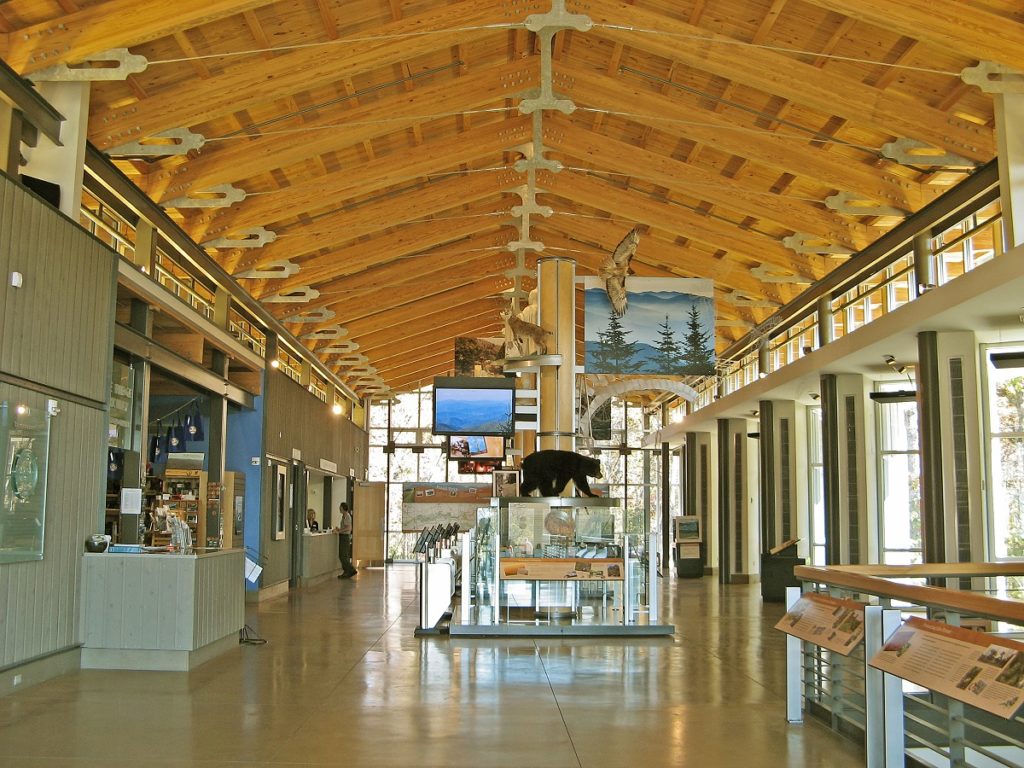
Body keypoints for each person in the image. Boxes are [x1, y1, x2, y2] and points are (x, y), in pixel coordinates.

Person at [335, 502, 357, 578]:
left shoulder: (347, 516)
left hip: (345, 537)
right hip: (343, 536)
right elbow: (345, 527)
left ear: (343, 508)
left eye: (340, 507)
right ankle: (346, 571)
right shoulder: (343, 516)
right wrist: (339, 529)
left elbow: (348, 528)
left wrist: (339, 531)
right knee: (342, 555)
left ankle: (351, 570)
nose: (339, 509)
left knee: (343, 556)